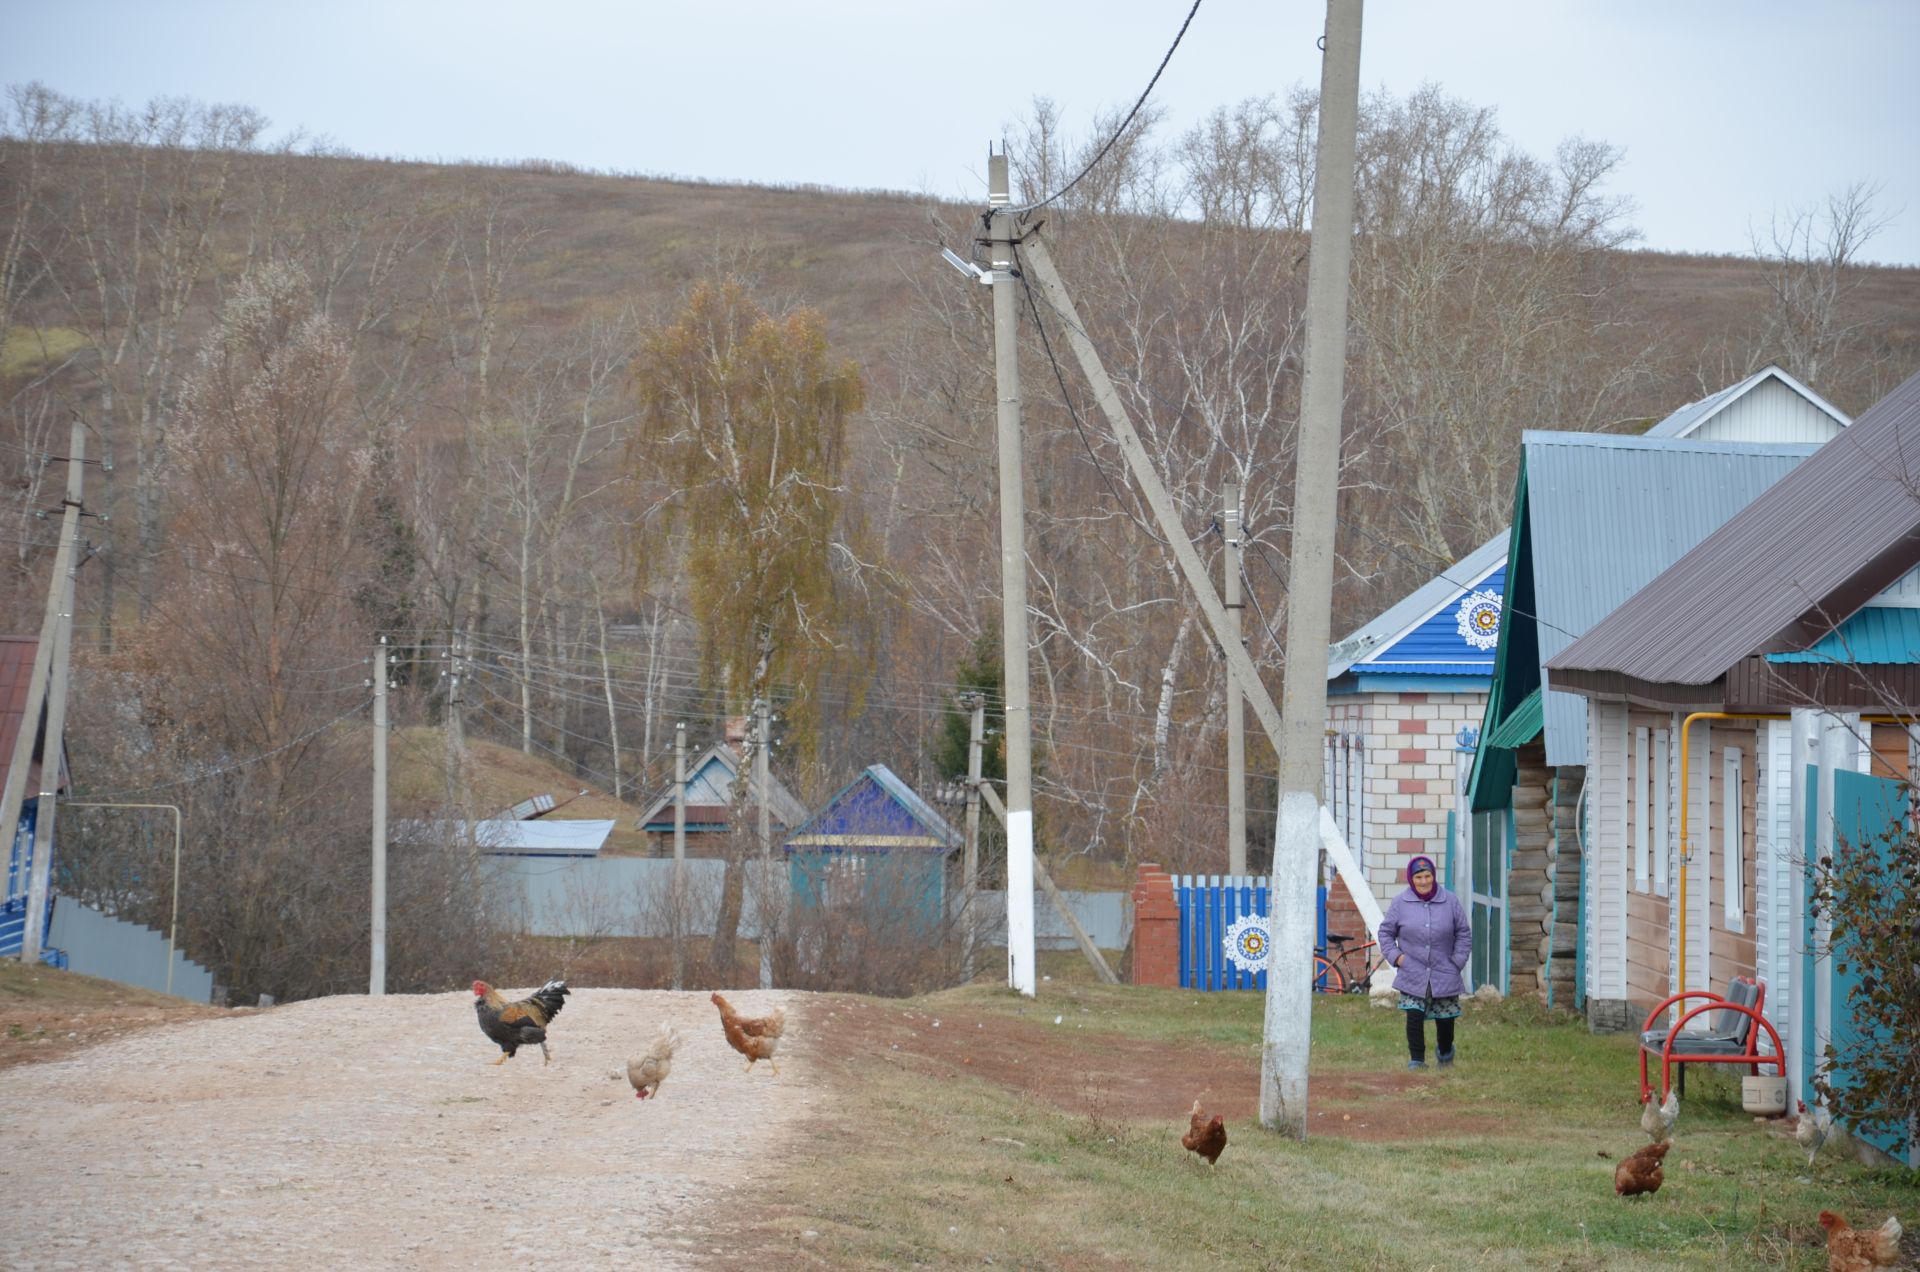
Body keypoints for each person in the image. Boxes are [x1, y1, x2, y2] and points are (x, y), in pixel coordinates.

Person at [1377, 855, 1471, 1071]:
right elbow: (1386, 933)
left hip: (1445, 970)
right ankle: (1417, 1061)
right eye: (1418, 877)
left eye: (1427, 876)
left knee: (1446, 1020)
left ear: (1433, 876)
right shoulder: (1400, 903)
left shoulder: (1450, 901)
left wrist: (1457, 961)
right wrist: (1397, 957)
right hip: (1413, 970)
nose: (1423, 881)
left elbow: (1463, 934)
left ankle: (1445, 1056)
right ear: (1411, 879)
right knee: (1414, 1015)